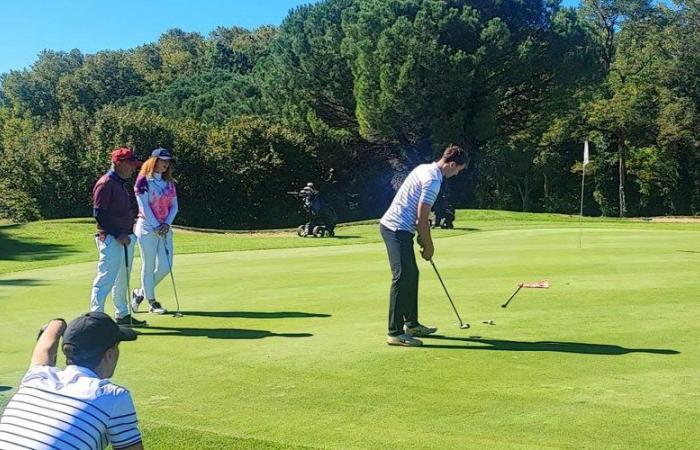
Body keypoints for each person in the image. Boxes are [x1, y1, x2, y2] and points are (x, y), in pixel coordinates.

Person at [0, 313, 144, 449]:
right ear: (110, 355)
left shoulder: (37, 376)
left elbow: (45, 348)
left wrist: (59, 323)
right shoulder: (113, 396)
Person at [379, 145, 468, 347]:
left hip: (402, 228)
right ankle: (394, 333)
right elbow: (422, 216)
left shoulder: (423, 168)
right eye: (457, 170)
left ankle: (411, 324)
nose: (455, 174)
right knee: (401, 277)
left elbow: (420, 218)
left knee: (412, 274)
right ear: (451, 164)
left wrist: (421, 234)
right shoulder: (433, 180)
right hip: (394, 228)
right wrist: (428, 244)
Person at [90, 148, 147, 327]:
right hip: (111, 239)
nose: (132, 169)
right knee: (105, 278)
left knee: (123, 279)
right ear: (119, 163)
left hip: (125, 238)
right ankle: (95, 318)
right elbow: (99, 214)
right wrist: (117, 234)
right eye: (130, 164)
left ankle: (122, 315)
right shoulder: (105, 183)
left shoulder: (120, 183)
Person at [131, 148, 178, 315]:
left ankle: (140, 294)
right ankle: (152, 301)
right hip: (146, 228)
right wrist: (156, 226)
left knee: (166, 266)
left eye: (167, 161)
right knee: (148, 265)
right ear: (154, 161)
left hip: (165, 229)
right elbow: (144, 207)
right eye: (162, 160)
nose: (165, 164)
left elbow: (174, 206)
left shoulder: (169, 182)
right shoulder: (143, 181)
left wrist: (166, 224)